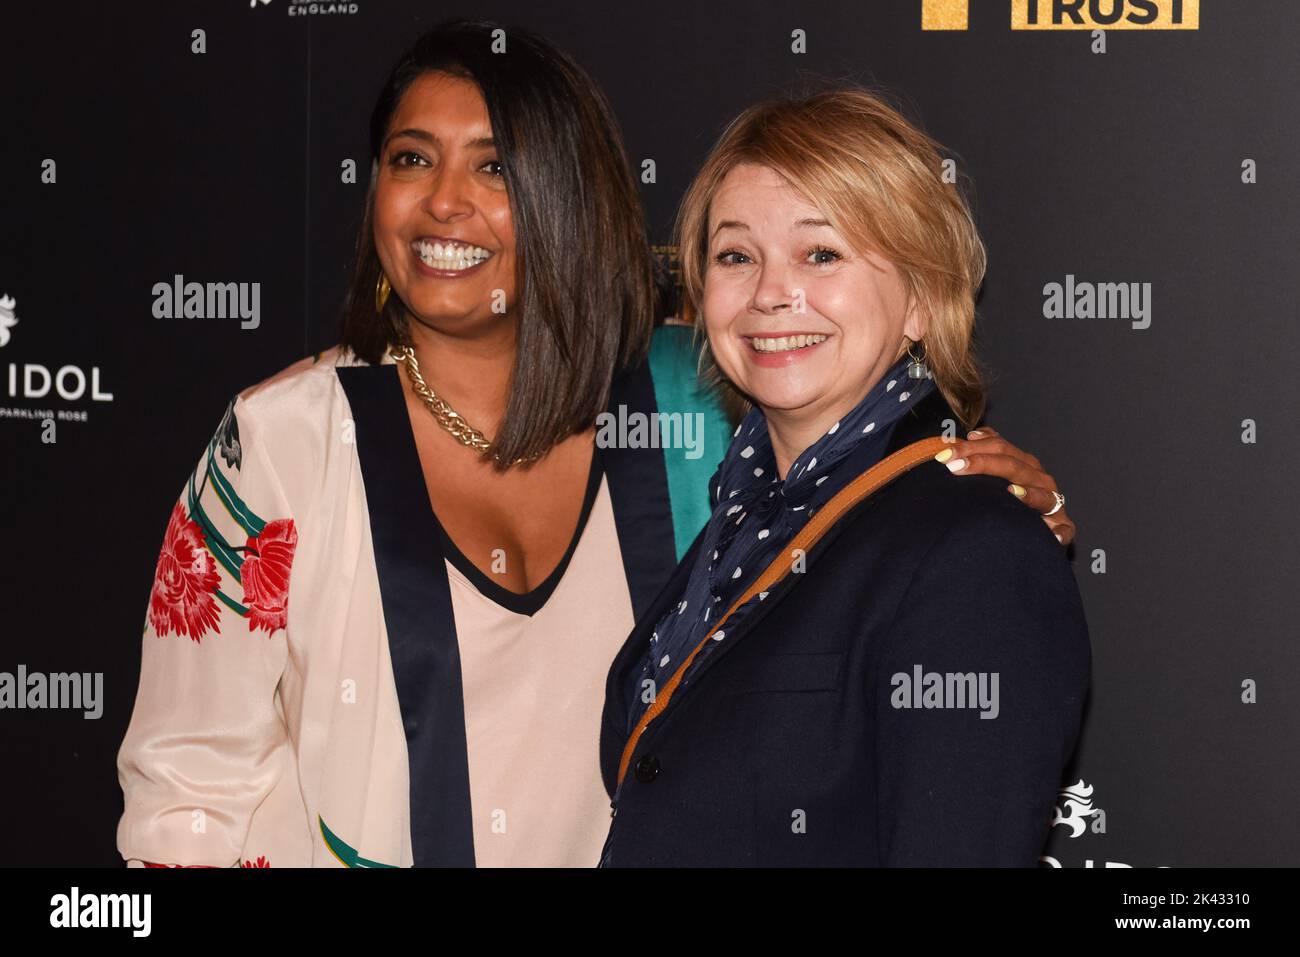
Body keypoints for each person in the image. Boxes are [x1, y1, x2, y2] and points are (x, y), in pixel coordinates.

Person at [116, 20, 1077, 868]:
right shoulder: (285, 440)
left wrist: (970, 479)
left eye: (494, 166)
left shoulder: (692, 413)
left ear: (565, 200)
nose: (444, 201)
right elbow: (184, 795)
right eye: (411, 159)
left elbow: (864, 493)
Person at [598, 87, 1090, 866]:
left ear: (922, 300)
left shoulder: (975, 552)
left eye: (820, 253)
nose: (768, 292)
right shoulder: (745, 518)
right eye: (736, 255)